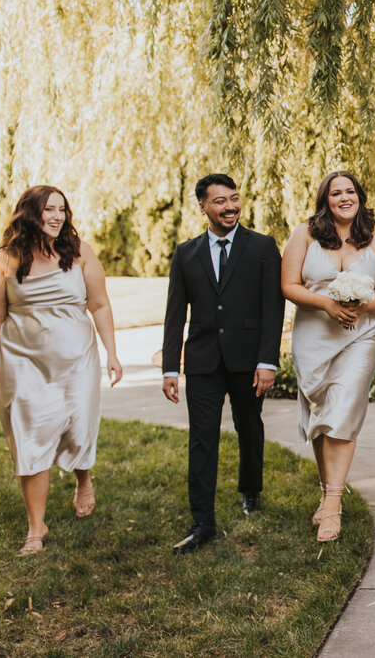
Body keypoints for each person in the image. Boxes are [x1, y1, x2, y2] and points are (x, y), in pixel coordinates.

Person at [0, 185, 122, 556]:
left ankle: (83, 479)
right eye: (49, 209)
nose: (58, 216)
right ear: (31, 214)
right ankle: (35, 529)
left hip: (76, 358)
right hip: (21, 360)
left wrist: (112, 352)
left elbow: (100, 304)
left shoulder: (78, 252)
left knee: (78, 427)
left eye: (62, 209)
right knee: (31, 437)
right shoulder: (3, 261)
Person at [162, 174, 285, 555]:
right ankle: (203, 522)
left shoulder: (263, 247)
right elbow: (174, 314)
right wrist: (170, 367)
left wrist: (268, 361)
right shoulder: (186, 253)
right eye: (220, 201)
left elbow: (272, 308)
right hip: (202, 361)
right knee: (202, 439)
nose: (230, 206)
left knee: (249, 427)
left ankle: (251, 491)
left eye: (234, 199)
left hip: (249, 360)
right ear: (202, 207)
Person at [282, 171, 375, 542]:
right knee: (321, 412)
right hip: (314, 334)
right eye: (337, 193)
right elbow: (288, 285)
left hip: (361, 335)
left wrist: (361, 306)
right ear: (326, 199)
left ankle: (333, 504)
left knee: (344, 412)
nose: (344, 197)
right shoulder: (304, 234)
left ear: (360, 197)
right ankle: (325, 489)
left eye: (351, 191)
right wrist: (327, 304)